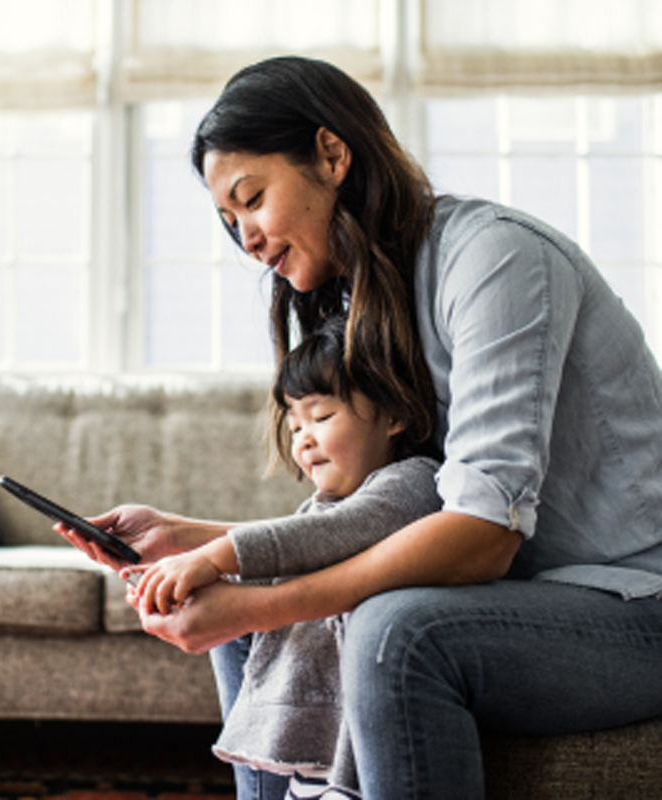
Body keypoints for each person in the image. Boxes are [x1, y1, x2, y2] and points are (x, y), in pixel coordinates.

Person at [59, 56, 662, 800]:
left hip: (632, 603)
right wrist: (197, 541)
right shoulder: (367, 302)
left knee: (397, 633)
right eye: (229, 221)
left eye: (251, 199)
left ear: (332, 154)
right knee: (255, 600)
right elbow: (388, 511)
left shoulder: (496, 259)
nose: (245, 237)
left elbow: (481, 531)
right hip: (522, 594)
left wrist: (258, 596)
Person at [125, 318, 441, 797]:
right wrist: (173, 569)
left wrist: (210, 556)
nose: (303, 439)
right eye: (295, 425)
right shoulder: (322, 504)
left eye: (322, 417)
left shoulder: (415, 481)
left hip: (347, 762)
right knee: (236, 597)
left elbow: (322, 535)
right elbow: (304, 536)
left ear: (394, 415)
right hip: (310, 760)